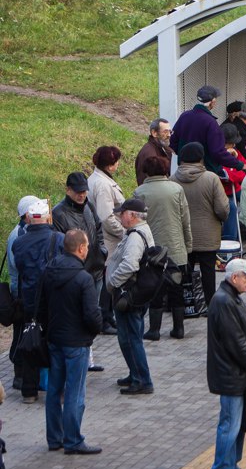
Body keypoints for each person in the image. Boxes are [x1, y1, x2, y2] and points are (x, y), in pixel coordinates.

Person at [40, 228, 102, 454]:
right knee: (75, 392)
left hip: (55, 339)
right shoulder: (83, 278)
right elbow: (92, 315)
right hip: (76, 343)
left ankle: (54, 438)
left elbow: (42, 307)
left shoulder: (49, 271)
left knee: (54, 390)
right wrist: (91, 334)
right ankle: (73, 440)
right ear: (81, 248)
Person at [206, 258, 246, 469]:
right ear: (234, 277)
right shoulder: (224, 302)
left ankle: (230, 464)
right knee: (230, 424)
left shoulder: (230, 298)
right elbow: (236, 342)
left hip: (236, 373)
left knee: (237, 424)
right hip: (231, 374)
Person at [52, 172, 107, 369]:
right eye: (78, 192)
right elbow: (59, 244)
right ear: (67, 190)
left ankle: (88, 357)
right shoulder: (58, 213)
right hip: (75, 274)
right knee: (77, 315)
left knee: (92, 312)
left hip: (95, 269)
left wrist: (102, 250)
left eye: (84, 191)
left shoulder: (89, 207)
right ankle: (82, 358)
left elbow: (99, 229)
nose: (82, 195)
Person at [12, 199, 65, 403]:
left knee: (30, 342)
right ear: (47, 218)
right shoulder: (59, 239)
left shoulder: (19, 243)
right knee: (55, 343)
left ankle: (29, 391)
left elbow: (20, 268)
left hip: (29, 300)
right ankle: (58, 390)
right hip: (52, 301)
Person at [134, 156, 191, 341]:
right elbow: (185, 219)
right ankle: (179, 328)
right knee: (177, 288)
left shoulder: (140, 192)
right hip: (176, 246)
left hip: (152, 249)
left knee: (155, 289)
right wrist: (188, 244)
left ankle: (154, 329)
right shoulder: (176, 189)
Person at [106, 198, 155, 395]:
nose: (120, 216)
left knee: (130, 338)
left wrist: (112, 283)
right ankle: (135, 372)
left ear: (132, 215)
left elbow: (130, 265)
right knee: (131, 336)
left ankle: (142, 380)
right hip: (137, 293)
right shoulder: (142, 230)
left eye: (122, 213)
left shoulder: (135, 236)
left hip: (128, 294)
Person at [172, 142, 229, 308]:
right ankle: (210, 304)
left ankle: (188, 304)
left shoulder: (173, 180)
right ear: (201, 157)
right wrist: (220, 219)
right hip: (208, 233)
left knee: (185, 269)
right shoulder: (211, 178)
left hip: (183, 235)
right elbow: (222, 208)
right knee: (208, 270)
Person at [171, 85, 244, 176]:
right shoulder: (211, 123)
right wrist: (240, 165)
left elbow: (173, 143)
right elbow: (217, 152)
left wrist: (186, 158)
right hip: (204, 173)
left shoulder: (184, 116)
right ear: (212, 102)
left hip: (183, 171)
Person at [135, 118, 174, 186]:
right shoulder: (148, 153)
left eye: (170, 132)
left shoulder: (164, 148)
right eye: (165, 132)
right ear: (154, 133)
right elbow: (144, 182)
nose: (169, 135)